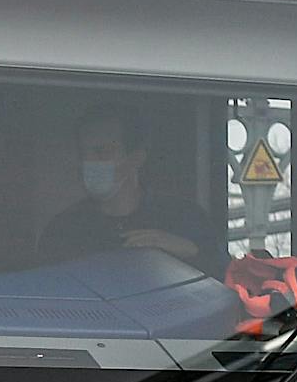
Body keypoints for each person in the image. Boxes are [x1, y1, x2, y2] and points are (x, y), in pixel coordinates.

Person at [38, 107, 205, 267]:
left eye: (102, 152)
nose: (89, 162)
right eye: (83, 154)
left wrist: (189, 250)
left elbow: (223, 280)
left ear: (136, 159)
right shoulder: (63, 230)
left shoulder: (184, 218)